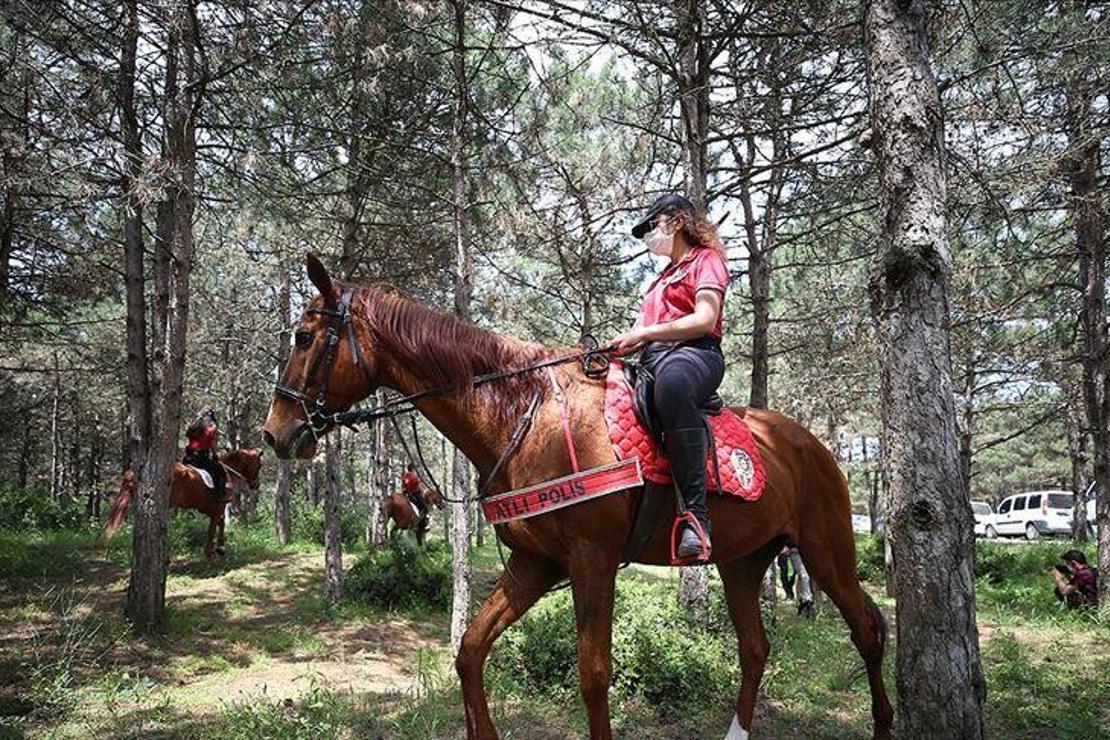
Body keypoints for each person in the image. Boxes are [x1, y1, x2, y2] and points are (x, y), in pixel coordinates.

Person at [611, 194, 729, 561]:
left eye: (652, 225)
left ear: (676, 221)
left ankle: (696, 516)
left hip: (696, 354)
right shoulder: (658, 281)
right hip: (652, 358)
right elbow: (638, 331)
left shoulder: (707, 260)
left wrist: (646, 334)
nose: (649, 235)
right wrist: (612, 349)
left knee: (673, 385)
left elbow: (705, 319)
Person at [184, 407, 227, 502]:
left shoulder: (192, 427)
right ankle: (220, 496)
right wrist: (215, 455)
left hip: (188, 457)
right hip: (200, 459)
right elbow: (212, 444)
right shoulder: (211, 429)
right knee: (220, 472)